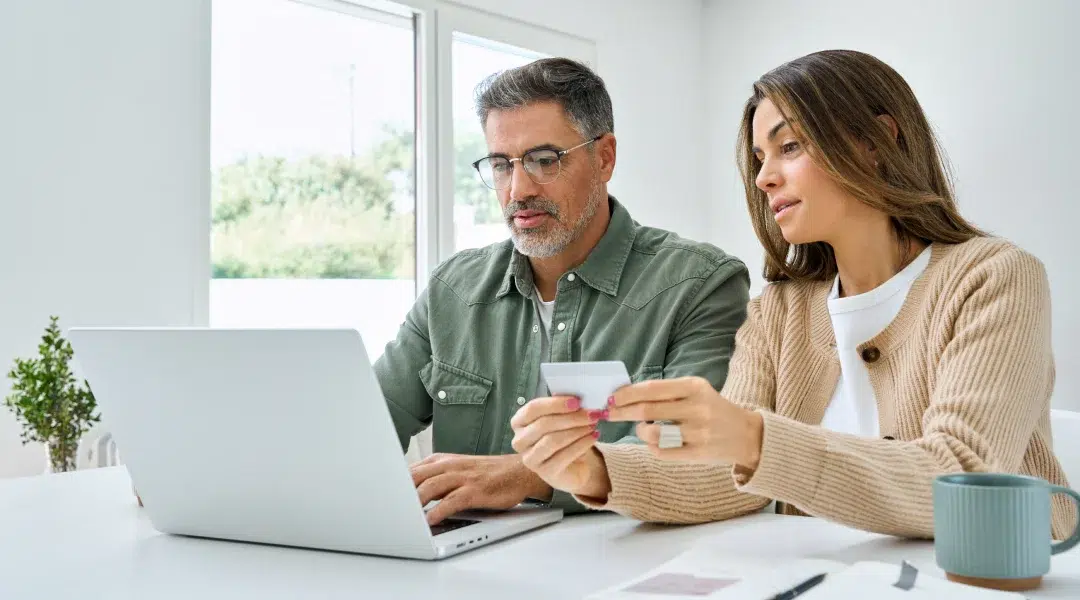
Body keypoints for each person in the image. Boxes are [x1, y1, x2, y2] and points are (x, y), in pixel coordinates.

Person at [510, 49, 1075, 540]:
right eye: (760, 159)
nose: (764, 178)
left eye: (790, 147)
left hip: (988, 581)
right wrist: (595, 471)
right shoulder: (781, 309)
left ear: (878, 141)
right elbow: (727, 477)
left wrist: (756, 439)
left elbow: (965, 477)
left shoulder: (996, 278)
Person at [374, 57, 751, 526]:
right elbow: (362, 429)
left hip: (630, 565)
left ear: (605, 157)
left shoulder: (699, 284)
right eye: (500, 165)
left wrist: (531, 475)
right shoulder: (452, 290)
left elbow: (700, 449)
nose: (518, 190)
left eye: (544, 160)